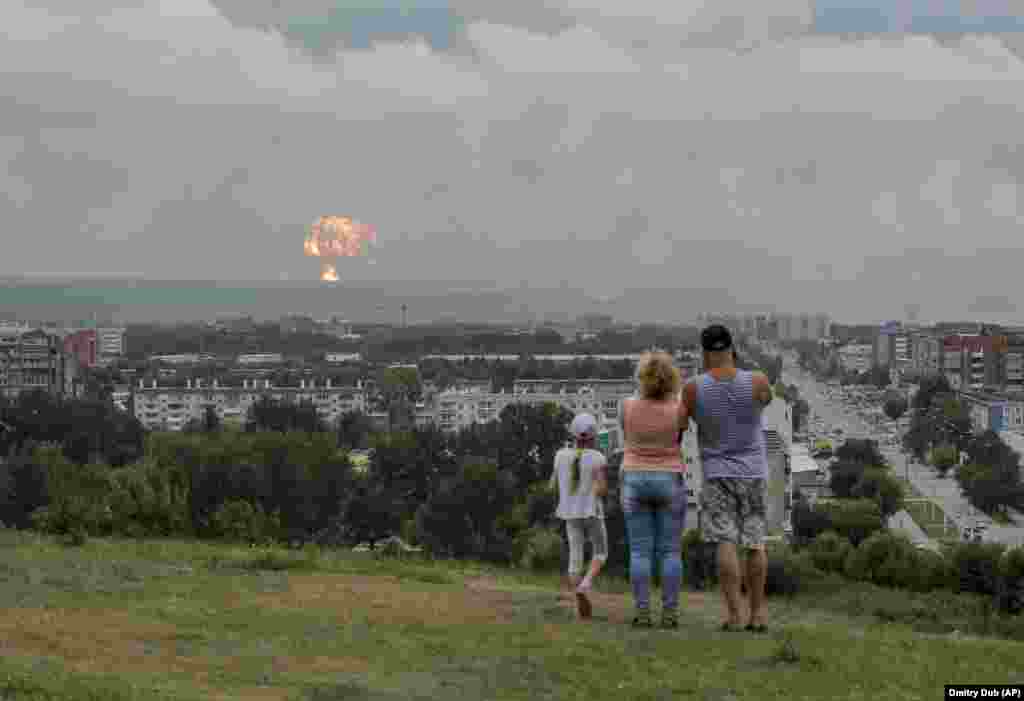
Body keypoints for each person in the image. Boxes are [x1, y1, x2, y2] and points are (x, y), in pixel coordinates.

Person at [681, 325, 774, 633]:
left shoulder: (693, 388)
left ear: (704, 352)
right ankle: (758, 614)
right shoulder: (757, 381)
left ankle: (734, 616)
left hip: (717, 472)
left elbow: (684, 421)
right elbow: (766, 399)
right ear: (732, 348)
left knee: (726, 541)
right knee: (755, 542)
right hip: (753, 472)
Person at [620, 351, 688, 629]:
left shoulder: (626, 406)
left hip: (634, 478)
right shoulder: (679, 408)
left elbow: (626, 436)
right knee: (671, 552)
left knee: (639, 552)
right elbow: (679, 438)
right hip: (670, 477)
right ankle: (670, 614)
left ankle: (642, 612)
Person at [550, 413, 609, 620]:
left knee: (575, 559)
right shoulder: (598, 458)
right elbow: (602, 489)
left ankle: (579, 607)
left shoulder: (559, 456)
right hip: (592, 511)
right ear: (593, 437)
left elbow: (554, 486)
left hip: (569, 512)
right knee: (600, 553)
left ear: (573, 434)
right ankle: (586, 584)